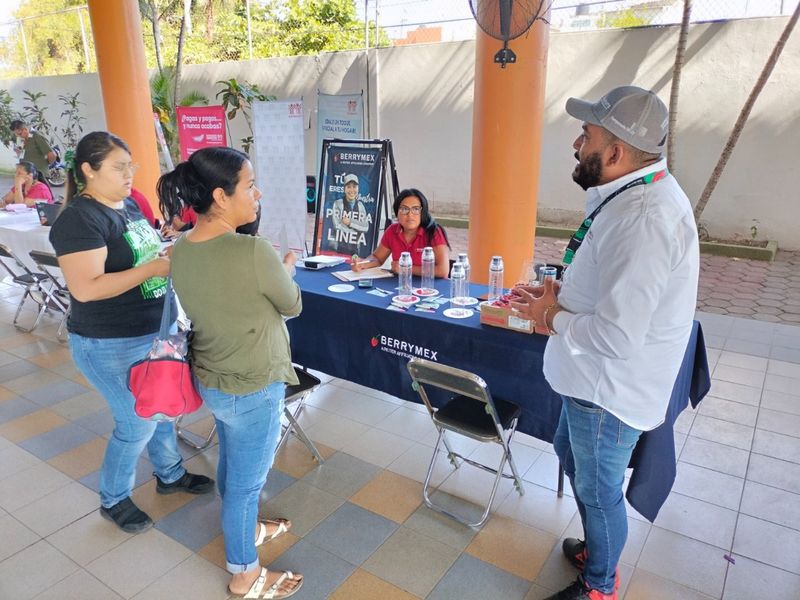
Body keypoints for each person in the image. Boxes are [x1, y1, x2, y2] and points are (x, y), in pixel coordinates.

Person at [510, 86, 699, 600]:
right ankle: (601, 549)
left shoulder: (643, 219)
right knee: (570, 456)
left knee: (597, 491)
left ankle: (600, 585)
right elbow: (613, 292)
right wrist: (558, 293)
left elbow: (617, 335)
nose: (577, 143)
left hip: (607, 390)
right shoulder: (630, 196)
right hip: (591, 381)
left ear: (615, 153)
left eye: (587, 135)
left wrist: (552, 315)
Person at [49, 131, 214, 534]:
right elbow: (86, 287)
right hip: (109, 341)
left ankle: (170, 475)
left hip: (154, 329)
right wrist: (152, 269)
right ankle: (113, 498)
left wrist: (165, 250)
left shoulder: (128, 206)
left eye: (131, 165)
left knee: (161, 407)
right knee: (136, 421)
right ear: (88, 170)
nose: (129, 174)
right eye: (119, 167)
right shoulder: (79, 219)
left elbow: (139, 252)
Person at [159, 147, 304, 599]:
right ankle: (245, 574)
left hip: (213, 379)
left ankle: (248, 526)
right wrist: (285, 269)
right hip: (255, 384)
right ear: (220, 197)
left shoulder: (180, 248)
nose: (257, 194)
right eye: (250, 185)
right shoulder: (254, 251)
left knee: (234, 463)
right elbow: (292, 304)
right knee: (246, 484)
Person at [352, 188, 450, 277]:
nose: (410, 214)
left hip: (429, 288)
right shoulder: (392, 230)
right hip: (400, 285)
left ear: (423, 212)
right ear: (397, 212)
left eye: (416, 209)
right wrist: (363, 264)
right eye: (404, 209)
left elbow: (443, 270)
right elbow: (378, 258)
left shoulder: (433, 232)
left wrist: (405, 268)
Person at [330, 173, 369, 255]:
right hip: (340, 248)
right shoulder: (337, 204)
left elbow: (365, 227)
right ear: (344, 189)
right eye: (349, 187)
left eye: (354, 187)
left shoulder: (360, 206)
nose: (352, 190)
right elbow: (337, 226)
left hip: (355, 250)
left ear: (358, 188)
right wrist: (357, 229)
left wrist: (350, 222)